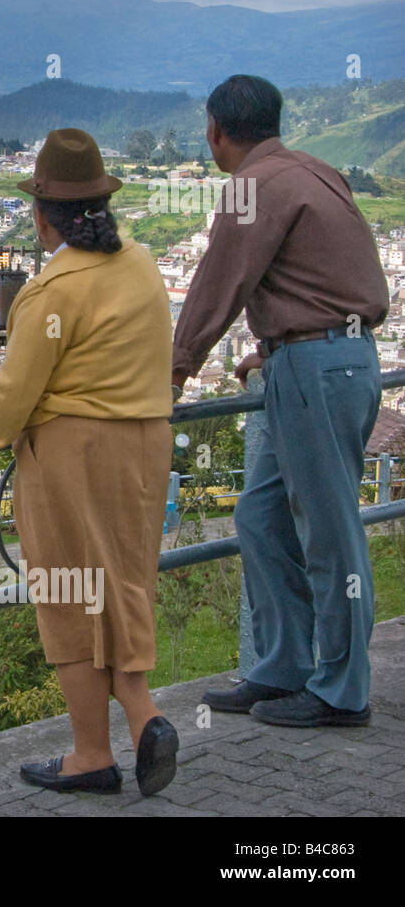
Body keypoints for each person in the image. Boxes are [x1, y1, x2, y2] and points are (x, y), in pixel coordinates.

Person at [0, 128, 178, 796]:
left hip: (75, 452)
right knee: (124, 584)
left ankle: (91, 753)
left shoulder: (48, 293)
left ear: (43, 218)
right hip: (148, 441)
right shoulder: (145, 266)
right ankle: (145, 714)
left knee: (70, 594)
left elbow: (5, 409)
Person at [173, 74, 388, 727]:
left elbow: (217, 284)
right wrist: (274, 347)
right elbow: (332, 276)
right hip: (326, 359)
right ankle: (282, 667)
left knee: (330, 531)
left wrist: (172, 372)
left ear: (216, 132)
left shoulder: (253, 188)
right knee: (262, 516)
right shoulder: (314, 171)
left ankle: (341, 690)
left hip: (314, 370)